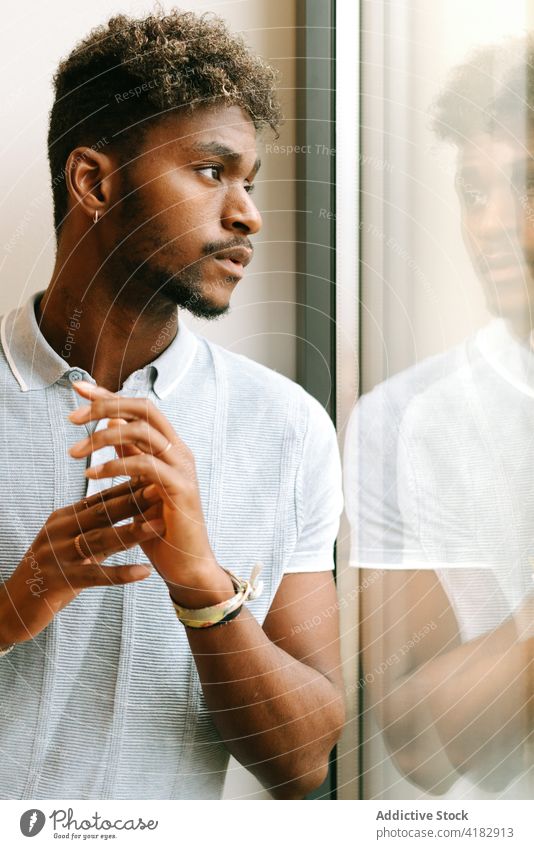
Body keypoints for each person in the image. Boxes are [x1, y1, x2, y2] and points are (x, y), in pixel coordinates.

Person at [0, 9, 345, 800]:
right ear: (94, 181)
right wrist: (13, 606)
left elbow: (303, 763)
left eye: (249, 181)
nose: (248, 213)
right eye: (211, 170)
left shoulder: (287, 429)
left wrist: (201, 584)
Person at [344, 36, 534, 799]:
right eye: (471, 190)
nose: (490, 222)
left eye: (525, 183)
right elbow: (417, 737)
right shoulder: (401, 421)